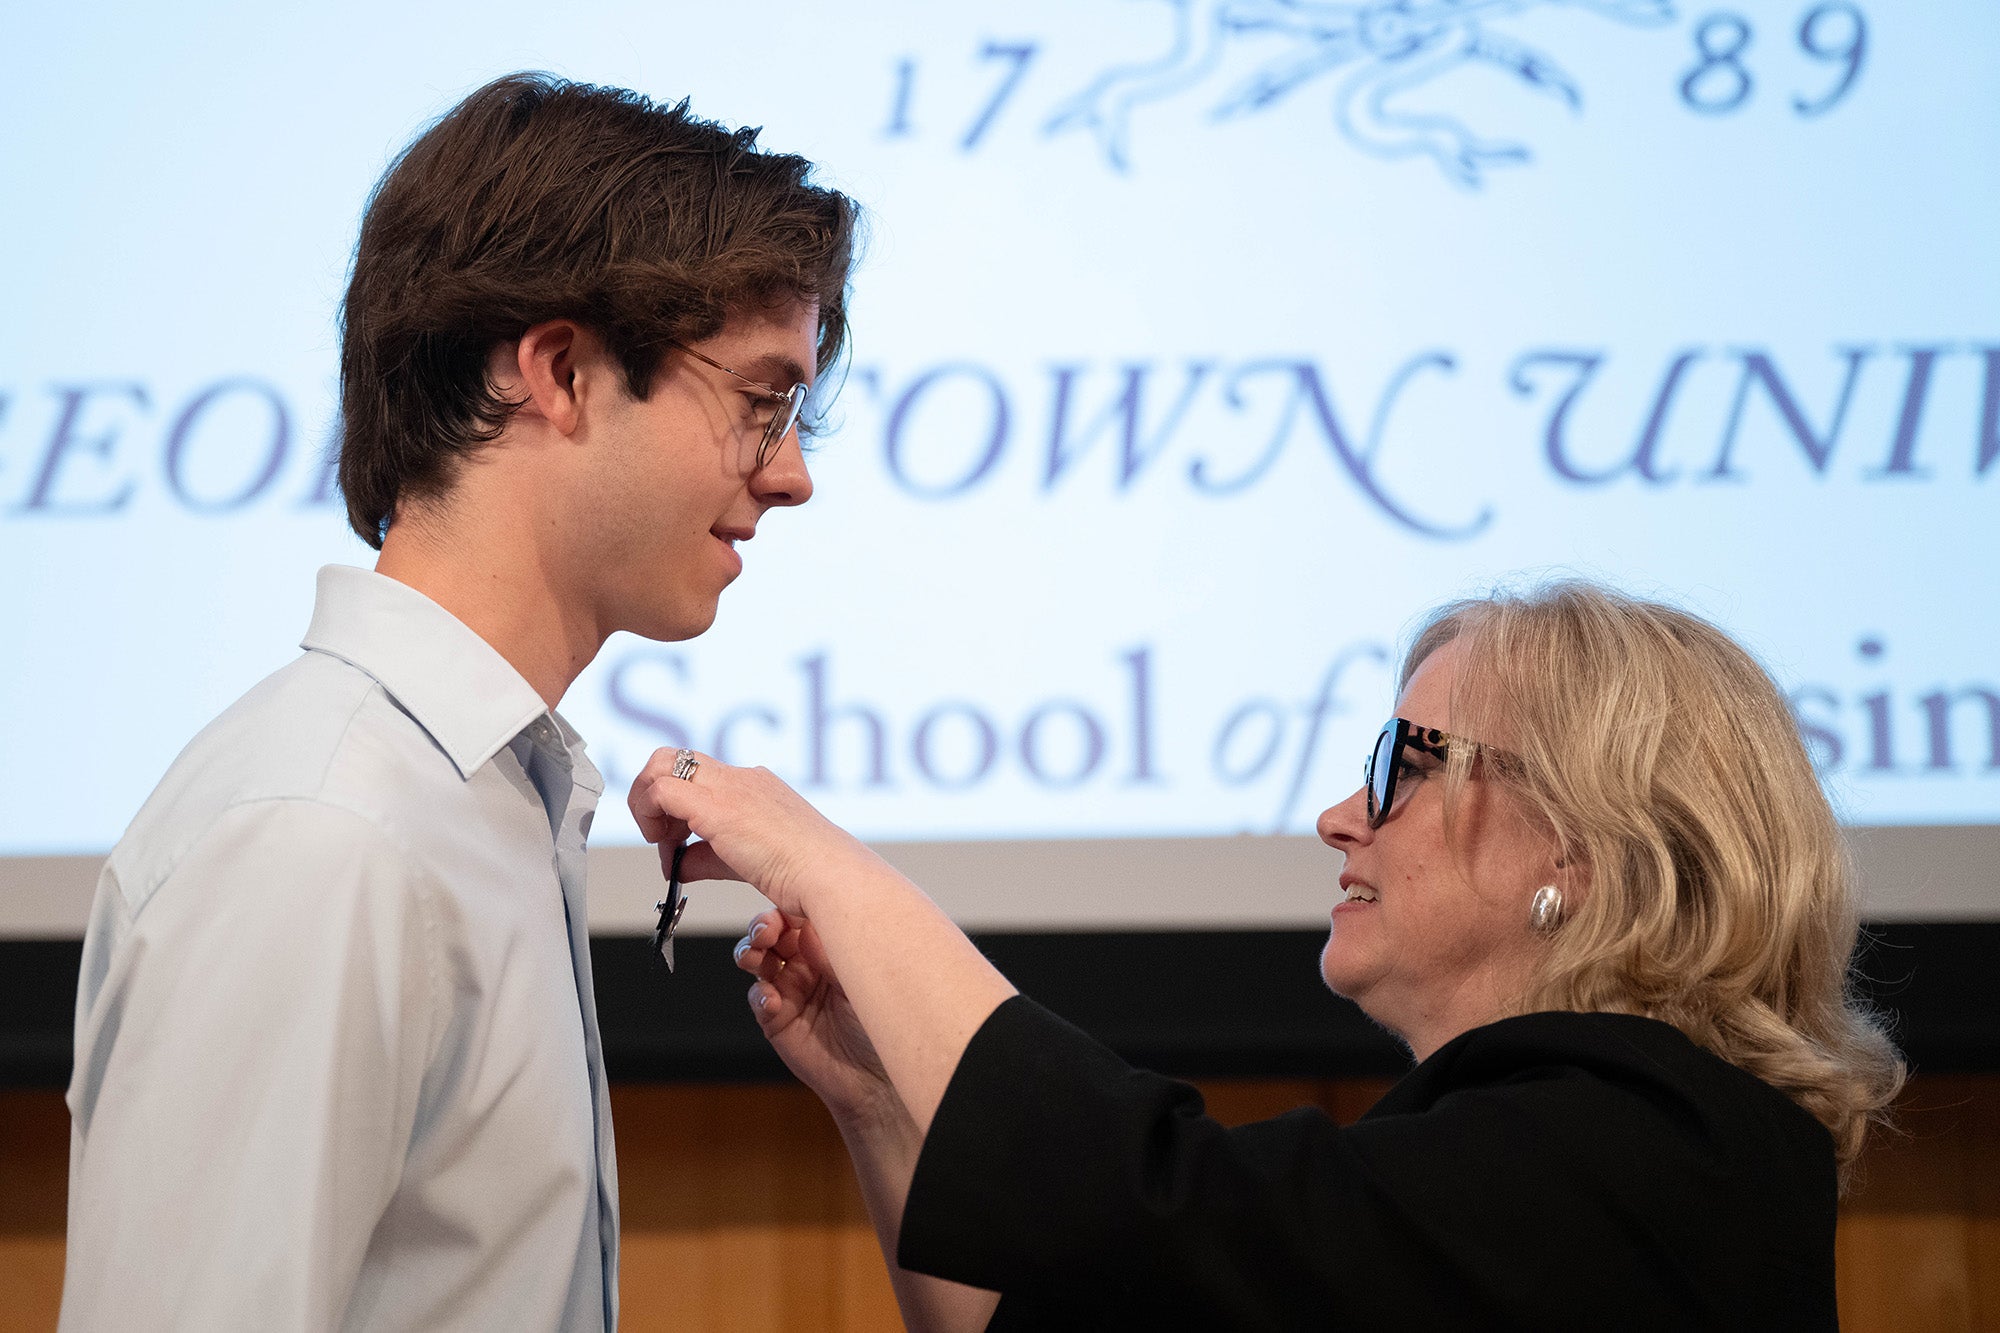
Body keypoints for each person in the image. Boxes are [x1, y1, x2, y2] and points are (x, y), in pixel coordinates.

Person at [62, 72, 855, 1330]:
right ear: (557, 370)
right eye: (761, 401)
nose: (796, 473)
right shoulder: (322, 832)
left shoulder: (474, 792)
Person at [630, 579, 1905, 1330]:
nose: (1337, 816)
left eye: (1402, 767)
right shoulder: (1548, 1150)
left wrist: (811, 854)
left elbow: (1154, 1204)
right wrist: (874, 1103)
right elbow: (1105, 1301)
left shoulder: (1652, 1145)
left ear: (1578, 842)